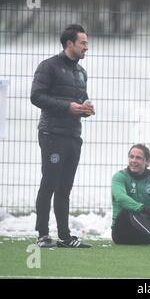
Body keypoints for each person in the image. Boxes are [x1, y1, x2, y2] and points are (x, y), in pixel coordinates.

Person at [31, 24, 95, 248]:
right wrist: (68, 107)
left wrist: (86, 108)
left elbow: (80, 100)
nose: (87, 47)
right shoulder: (48, 66)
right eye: (83, 43)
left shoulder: (81, 72)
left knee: (65, 188)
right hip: (52, 134)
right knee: (49, 183)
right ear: (70, 43)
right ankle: (42, 234)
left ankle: (65, 237)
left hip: (73, 136)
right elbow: (36, 96)